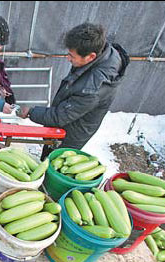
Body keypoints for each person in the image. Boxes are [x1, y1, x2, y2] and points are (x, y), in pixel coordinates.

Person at [21, 23, 130, 160]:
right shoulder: (103, 53)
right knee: (48, 150)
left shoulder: (92, 88)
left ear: (90, 56)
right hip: (69, 118)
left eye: (72, 56)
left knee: (53, 161)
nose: (68, 58)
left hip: (71, 134)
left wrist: (31, 112)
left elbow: (60, 116)